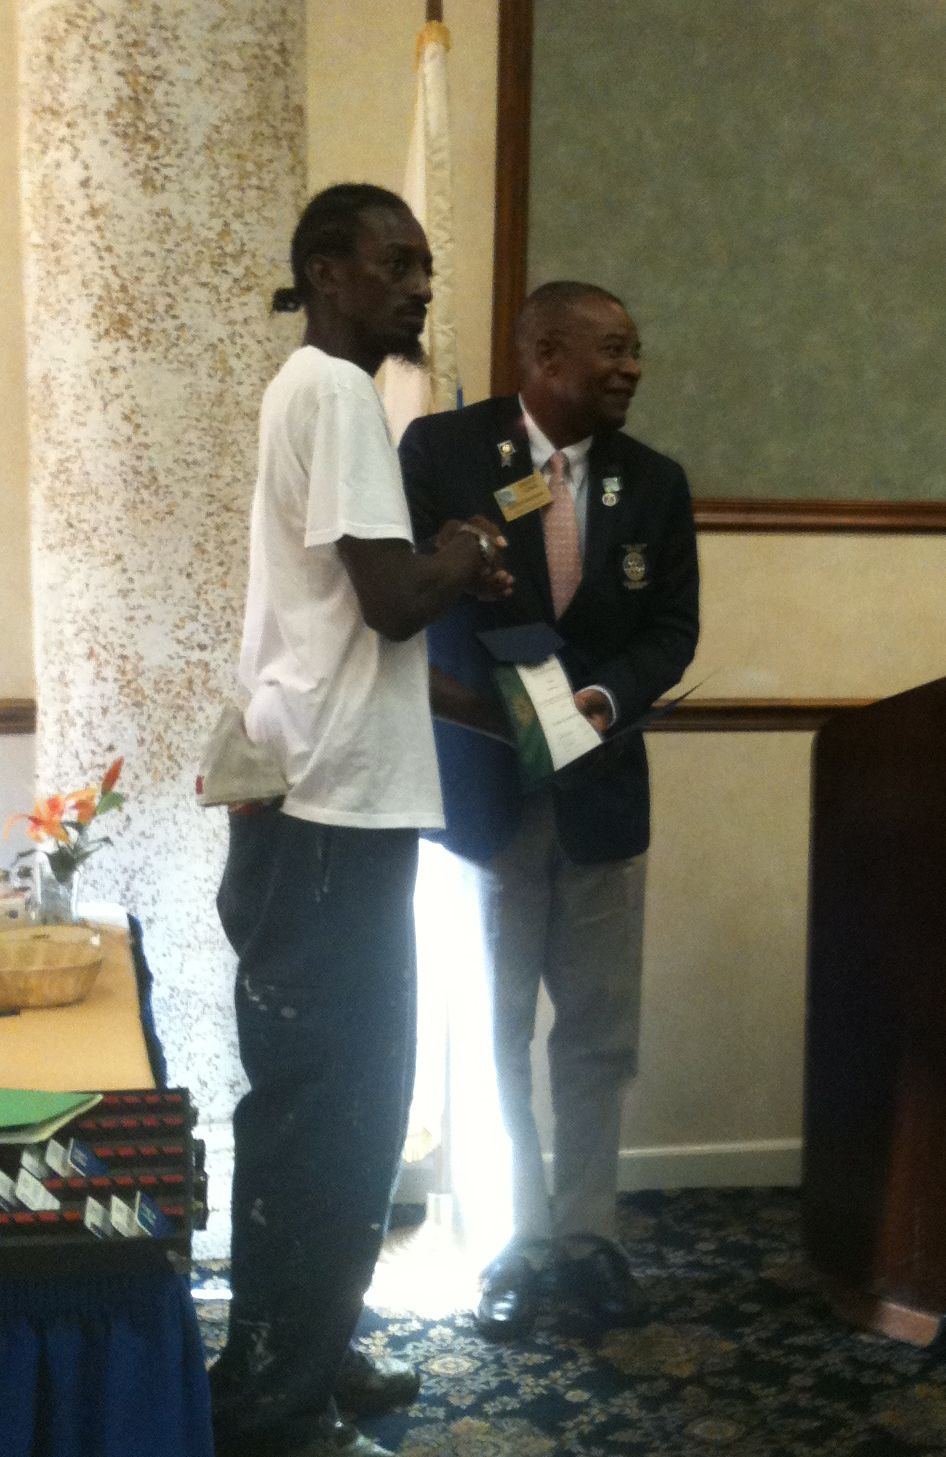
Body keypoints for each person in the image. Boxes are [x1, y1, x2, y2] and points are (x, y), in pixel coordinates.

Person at [210, 183, 511, 1457]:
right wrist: (468, 550)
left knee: (328, 1109)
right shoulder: (333, 390)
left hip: (318, 795)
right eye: (393, 262)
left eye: (425, 266)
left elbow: (350, 618)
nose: (418, 284)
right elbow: (389, 600)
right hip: (332, 808)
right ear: (325, 273)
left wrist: (438, 556)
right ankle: (277, 1410)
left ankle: (301, 1356)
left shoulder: (315, 391)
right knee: (332, 1114)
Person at [400, 280, 700, 1340]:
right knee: (492, 1032)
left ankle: (587, 1236)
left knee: (596, 1036)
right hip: (485, 792)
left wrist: (603, 697)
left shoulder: (653, 484)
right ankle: (514, 1240)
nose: (630, 367)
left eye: (634, 349)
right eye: (610, 349)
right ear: (541, 353)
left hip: (602, 795)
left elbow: (672, 629)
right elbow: (397, 601)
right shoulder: (439, 453)